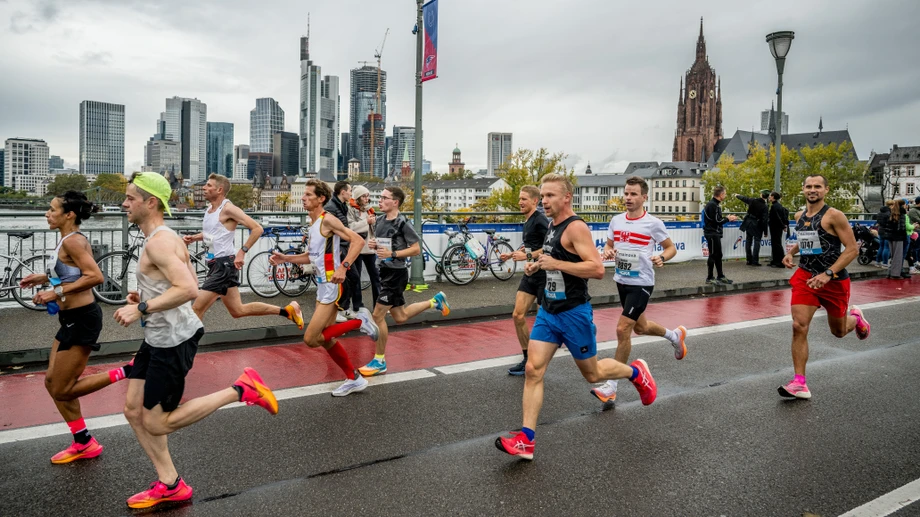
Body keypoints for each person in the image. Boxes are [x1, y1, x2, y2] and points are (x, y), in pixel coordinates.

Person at [116, 173, 279, 509]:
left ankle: (241, 389)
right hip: (159, 336)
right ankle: (170, 483)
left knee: (156, 421)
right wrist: (145, 296)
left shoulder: (159, 243)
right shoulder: (168, 238)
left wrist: (142, 308)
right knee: (133, 410)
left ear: (150, 203)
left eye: (131, 198)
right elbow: (187, 280)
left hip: (172, 340)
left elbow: (189, 289)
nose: (124, 203)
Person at [495, 174, 657, 460]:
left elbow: (596, 269)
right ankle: (526, 440)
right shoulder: (551, 225)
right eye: (543, 196)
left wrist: (555, 263)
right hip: (549, 311)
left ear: (566, 197)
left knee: (592, 374)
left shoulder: (576, 227)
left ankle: (636, 372)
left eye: (550, 196)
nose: (544, 201)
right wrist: (537, 265)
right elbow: (551, 258)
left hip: (573, 313)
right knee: (533, 369)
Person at [19, 191, 133, 464]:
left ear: (69, 215)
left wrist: (55, 292)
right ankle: (83, 441)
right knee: (52, 382)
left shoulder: (74, 241)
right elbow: (73, 272)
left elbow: (95, 276)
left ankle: (129, 370)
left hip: (83, 318)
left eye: (52, 209)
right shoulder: (67, 239)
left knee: (62, 389)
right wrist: (44, 278)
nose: (47, 213)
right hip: (70, 318)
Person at [270, 179, 379, 396]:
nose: (303, 198)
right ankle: (354, 378)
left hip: (333, 284)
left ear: (321, 199)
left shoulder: (327, 219)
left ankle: (360, 321)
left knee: (311, 339)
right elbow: (311, 256)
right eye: (304, 194)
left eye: (308, 195)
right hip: (322, 285)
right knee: (326, 339)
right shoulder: (313, 224)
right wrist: (285, 258)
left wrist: (343, 268)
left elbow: (357, 241)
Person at [590, 176, 688, 403]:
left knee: (623, 329)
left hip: (642, 283)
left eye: (633, 194)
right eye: (626, 193)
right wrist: (608, 251)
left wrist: (662, 257)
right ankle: (675, 336)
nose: (628, 198)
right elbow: (609, 245)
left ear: (644, 197)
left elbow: (670, 248)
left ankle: (611, 386)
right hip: (622, 281)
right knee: (641, 327)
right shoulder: (616, 221)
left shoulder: (653, 223)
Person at [780, 174, 870, 399]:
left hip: (834, 281)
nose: (813, 190)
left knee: (838, 332)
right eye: (809, 186)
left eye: (818, 186)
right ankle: (799, 383)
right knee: (798, 325)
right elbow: (809, 241)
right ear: (803, 189)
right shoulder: (799, 215)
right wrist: (791, 253)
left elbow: (852, 249)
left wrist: (828, 273)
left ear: (826, 190)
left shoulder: (835, 216)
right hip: (806, 277)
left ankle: (855, 318)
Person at [183, 174, 303, 329]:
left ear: (219, 190)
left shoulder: (228, 209)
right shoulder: (210, 210)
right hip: (215, 264)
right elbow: (213, 235)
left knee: (196, 309)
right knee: (238, 310)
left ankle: (187, 344)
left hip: (224, 266)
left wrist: (242, 251)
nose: (204, 188)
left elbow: (257, 228)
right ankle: (287, 311)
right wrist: (194, 238)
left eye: (208, 185)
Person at [357, 187, 450, 377]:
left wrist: (393, 254)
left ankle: (380, 361)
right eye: (380, 197)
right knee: (400, 317)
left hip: (396, 274)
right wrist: (374, 245)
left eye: (384, 197)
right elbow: (381, 244)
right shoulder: (379, 220)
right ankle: (435, 302)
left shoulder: (403, 223)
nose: (380, 200)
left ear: (395, 202)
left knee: (377, 315)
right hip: (384, 271)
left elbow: (416, 249)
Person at [502, 186, 548, 376]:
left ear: (535, 201)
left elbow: (550, 247)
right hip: (530, 274)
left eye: (524, 199)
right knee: (518, 315)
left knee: (543, 321)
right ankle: (528, 357)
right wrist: (513, 254)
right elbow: (531, 245)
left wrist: (527, 256)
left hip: (544, 274)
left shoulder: (541, 220)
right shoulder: (528, 220)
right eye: (520, 199)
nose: (520, 202)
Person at [325, 180, 360, 322]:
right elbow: (330, 230)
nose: (351, 194)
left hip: (345, 247)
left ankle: (343, 308)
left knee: (353, 278)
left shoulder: (342, 206)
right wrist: (336, 249)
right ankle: (338, 310)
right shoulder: (331, 207)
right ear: (343, 192)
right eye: (350, 191)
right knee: (343, 280)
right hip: (338, 249)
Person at [347, 184, 381, 310]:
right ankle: (358, 306)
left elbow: (374, 228)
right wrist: (366, 222)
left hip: (370, 247)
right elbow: (350, 227)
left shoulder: (369, 210)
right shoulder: (350, 209)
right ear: (358, 198)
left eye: (368, 196)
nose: (367, 199)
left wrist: (373, 223)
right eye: (364, 196)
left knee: (376, 276)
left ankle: (378, 304)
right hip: (357, 247)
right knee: (356, 278)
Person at [702, 186, 738, 285]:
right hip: (712, 233)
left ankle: (720, 276)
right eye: (725, 194)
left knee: (718, 255)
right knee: (713, 255)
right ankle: (710, 277)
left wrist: (726, 218)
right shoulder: (712, 205)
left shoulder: (714, 204)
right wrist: (728, 219)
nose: (725, 196)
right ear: (721, 194)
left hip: (715, 233)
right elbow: (716, 221)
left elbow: (716, 219)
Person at [736, 190, 769, 266]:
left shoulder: (753, 200)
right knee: (757, 242)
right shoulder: (765, 206)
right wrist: (765, 231)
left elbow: (744, 198)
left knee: (748, 241)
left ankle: (749, 260)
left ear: (761, 195)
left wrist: (737, 195)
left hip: (748, 223)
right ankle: (755, 261)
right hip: (757, 225)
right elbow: (764, 220)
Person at [883, 200, 907, 279]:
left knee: (893, 255)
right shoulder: (902, 214)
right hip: (899, 237)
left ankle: (890, 272)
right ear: (902, 205)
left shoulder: (891, 213)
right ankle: (895, 274)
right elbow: (902, 228)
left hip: (890, 236)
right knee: (898, 256)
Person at [767, 191, 791, 268]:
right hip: (778, 227)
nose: (769, 197)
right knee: (776, 244)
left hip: (775, 227)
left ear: (773, 197)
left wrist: (783, 226)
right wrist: (783, 226)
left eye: (770, 196)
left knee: (776, 244)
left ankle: (779, 262)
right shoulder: (779, 206)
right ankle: (775, 261)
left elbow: (777, 218)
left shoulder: (774, 206)